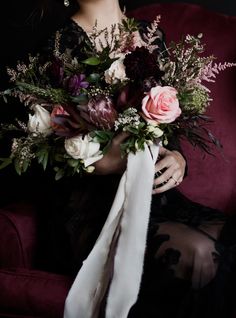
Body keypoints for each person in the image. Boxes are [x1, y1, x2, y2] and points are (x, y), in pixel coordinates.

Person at [32, 0, 236, 317]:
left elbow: (169, 125)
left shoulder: (149, 34)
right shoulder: (58, 43)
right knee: (199, 253)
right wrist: (102, 164)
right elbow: (51, 141)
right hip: (93, 211)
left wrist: (178, 160)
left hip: (156, 197)